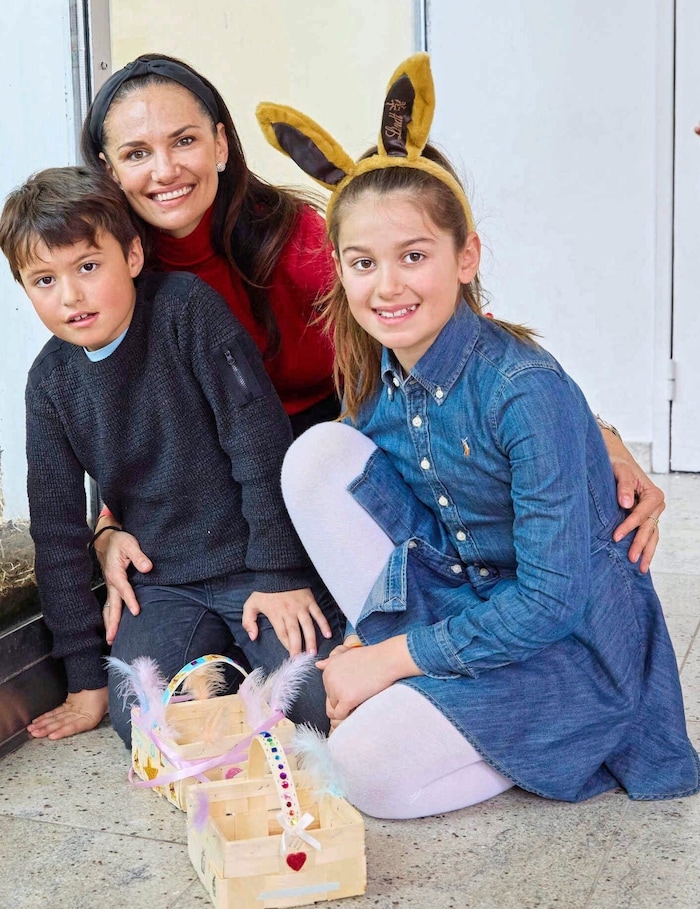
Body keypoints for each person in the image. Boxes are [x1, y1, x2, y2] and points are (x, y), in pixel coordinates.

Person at [81, 52, 666, 641]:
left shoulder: (298, 241)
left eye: (183, 141)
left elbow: (452, 328)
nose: (164, 170)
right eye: (136, 153)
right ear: (109, 171)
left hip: (331, 451)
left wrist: (592, 434)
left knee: (323, 675)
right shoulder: (109, 275)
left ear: (222, 145)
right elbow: (125, 415)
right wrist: (108, 524)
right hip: (212, 486)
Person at [260, 53, 699, 818]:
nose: (388, 285)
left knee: (365, 771)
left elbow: (553, 601)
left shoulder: (522, 387)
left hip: (565, 645)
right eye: (364, 262)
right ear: (339, 270)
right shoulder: (377, 374)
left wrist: (387, 661)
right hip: (462, 599)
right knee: (318, 456)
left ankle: (535, 734)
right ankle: (436, 694)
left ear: (467, 258)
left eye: (415, 256)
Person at [0, 166, 343, 743]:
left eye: (88, 267)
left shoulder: (186, 312)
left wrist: (281, 574)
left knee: (320, 704)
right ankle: (229, 685)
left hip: (255, 562)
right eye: (43, 280)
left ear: (132, 255)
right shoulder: (50, 382)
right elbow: (56, 533)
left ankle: (248, 673)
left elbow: (260, 445)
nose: (71, 296)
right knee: (139, 717)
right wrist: (85, 680)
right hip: (164, 583)